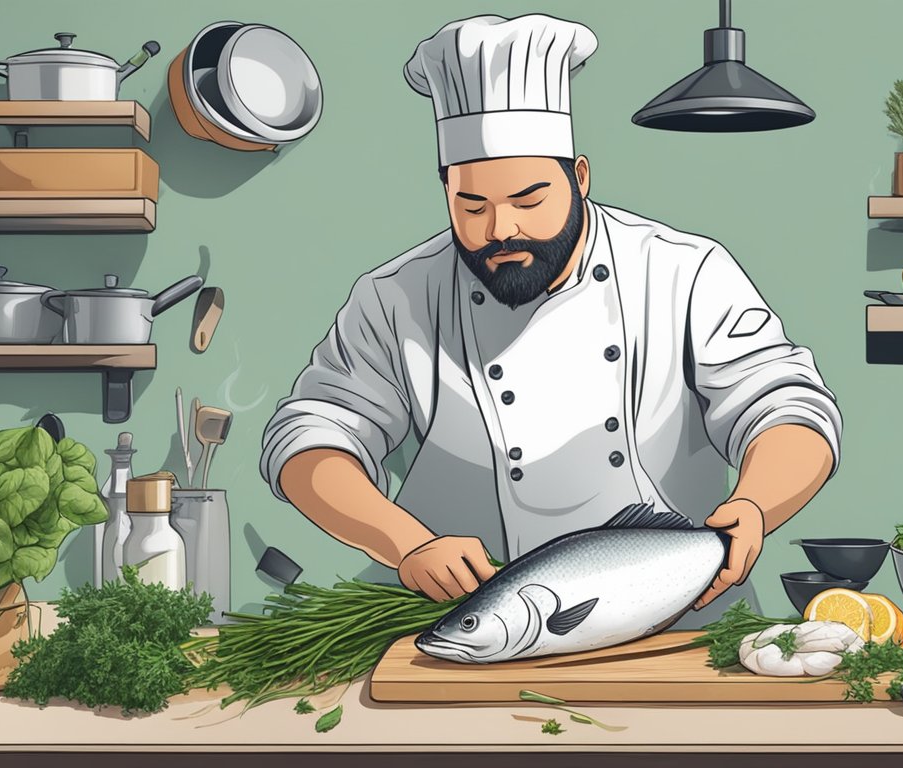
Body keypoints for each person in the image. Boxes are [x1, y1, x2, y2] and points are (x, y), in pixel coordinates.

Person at [261, 14, 841, 622]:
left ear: (580, 178)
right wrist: (406, 543)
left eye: (529, 199)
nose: (500, 228)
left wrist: (754, 505)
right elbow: (311, 438)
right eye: (472, 205)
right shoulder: (396, 296)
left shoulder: (684, 271)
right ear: (446, 193)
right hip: (466, 624)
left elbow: (786, 406)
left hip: (684, 622)